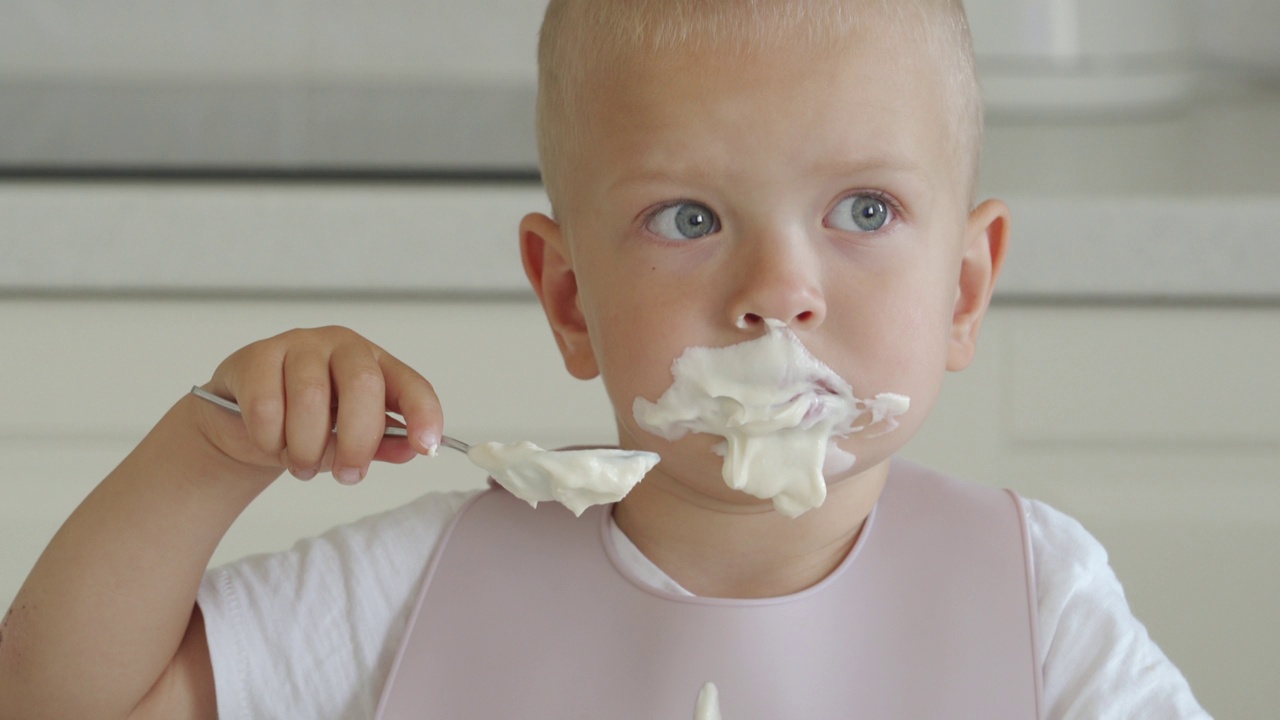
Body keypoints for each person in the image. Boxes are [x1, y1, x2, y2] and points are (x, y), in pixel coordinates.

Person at [0, 0, 1210, 718]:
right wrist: (209, 450)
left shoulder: (1038, 601)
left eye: (862, 212)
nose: (777, 292)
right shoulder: (412, 593)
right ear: (570, 298)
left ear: (961, 286)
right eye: (687, 219)